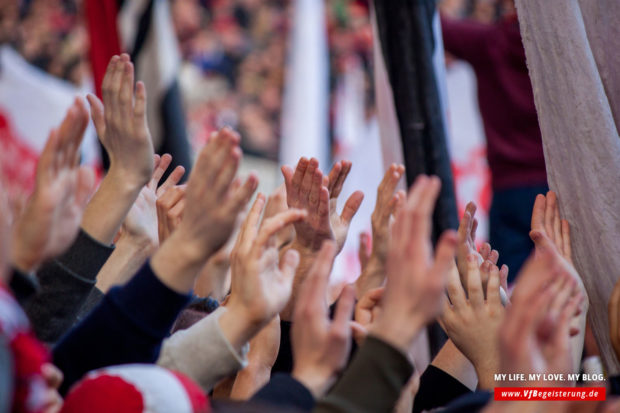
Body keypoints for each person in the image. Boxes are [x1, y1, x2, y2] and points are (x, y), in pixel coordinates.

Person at [441, 0, 547, 281]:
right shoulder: (569, 52)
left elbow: (431, 24)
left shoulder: (490, 42)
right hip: (559, 191)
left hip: (509, 191)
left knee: (507, 293)